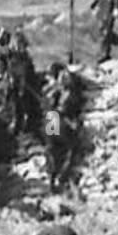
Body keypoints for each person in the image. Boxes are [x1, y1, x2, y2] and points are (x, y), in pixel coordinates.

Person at [43, 62, 86, 192]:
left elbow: (49, 105)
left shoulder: (55, 91)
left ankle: (51, 178)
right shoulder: (73, 94)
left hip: (52, 117)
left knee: (52, 149)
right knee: (71, 148)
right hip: (60, 120)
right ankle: (61, 177)